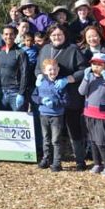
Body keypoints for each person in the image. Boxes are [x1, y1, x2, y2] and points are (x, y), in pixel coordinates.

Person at [35, 24, 88, 170]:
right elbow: (38, 67)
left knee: (73, 128)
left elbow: (83, 70)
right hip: (49, 98)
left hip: (69, 95)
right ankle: (49, 159)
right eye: (53, 35)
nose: (56, 37)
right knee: (49, 134)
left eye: (59, 35)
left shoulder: (73, 49)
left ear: (64, 35)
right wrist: (39, 76)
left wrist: (68, 79)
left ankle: (79, 160)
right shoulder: (45, 49)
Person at [78, 53, 105, 176]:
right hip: (89, 113)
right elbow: (81, 91)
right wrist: (85, 78)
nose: (96, 67)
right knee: (93, 141)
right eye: (94, 64)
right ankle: (97, 164)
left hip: (103, 115)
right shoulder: (89, 77)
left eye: (100, 64)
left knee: (102, 141)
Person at [32, 58, 67, 172]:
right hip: (43, 114)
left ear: (58, 69)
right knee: (46, 138)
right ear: (45, 71)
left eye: (54, 69)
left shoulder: (60, 84)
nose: (52, 72)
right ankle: (46, 158)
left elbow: (66, 100)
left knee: (56, 140)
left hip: (56, 115)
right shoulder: (41, 82)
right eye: (50, 70)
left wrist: (55, 103)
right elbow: (34, 96)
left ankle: (57, 162)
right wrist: (42, 100)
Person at [0, 25, 29, 112]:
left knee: (19, 123)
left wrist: (21, 93)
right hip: (2, 92)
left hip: (15, 93)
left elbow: (25, 74)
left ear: (15, 36)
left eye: (11, 34)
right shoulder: (1, 53)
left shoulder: (20, 53)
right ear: (2, 36)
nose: (8, 36)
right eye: (6, 34)